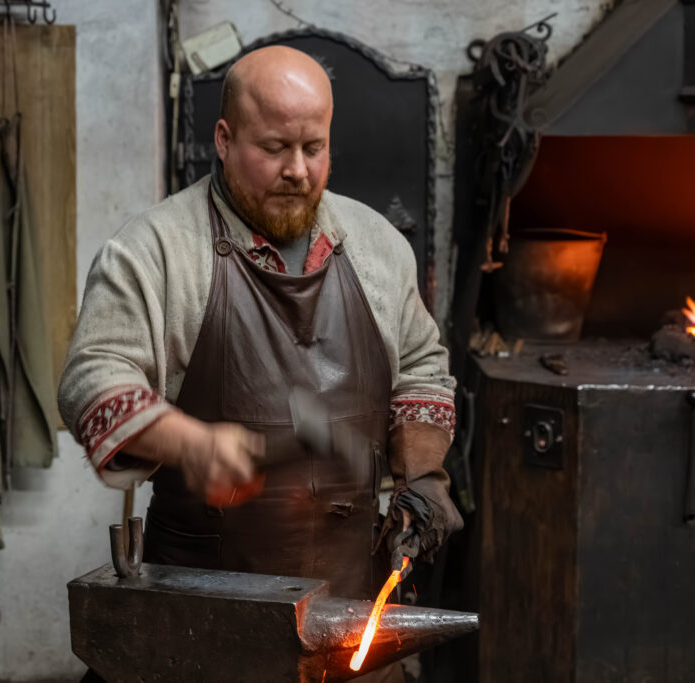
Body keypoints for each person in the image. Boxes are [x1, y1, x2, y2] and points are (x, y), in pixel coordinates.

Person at [59, 45, 462, 681]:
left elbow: (421, 367)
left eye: (313, 147)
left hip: (351, 608)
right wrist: (191, 443)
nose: (297, 169)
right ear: (224, 140)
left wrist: (423, 475)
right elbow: (92, 383)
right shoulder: (156, 250)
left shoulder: (378, 246)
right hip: (200, 620)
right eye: (274, 148)